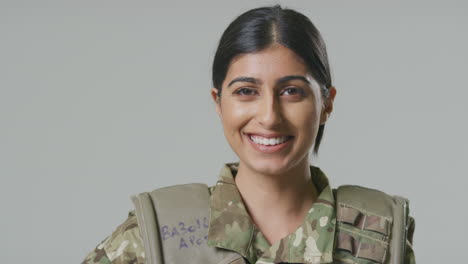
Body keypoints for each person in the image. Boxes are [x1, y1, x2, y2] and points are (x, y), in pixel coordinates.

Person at [82, 5, 415, 264]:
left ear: (326, 103)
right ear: (219, 102)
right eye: (245, 91)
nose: (269, 117)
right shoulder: (157, 235)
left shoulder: (378, 238)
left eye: (291, 91)